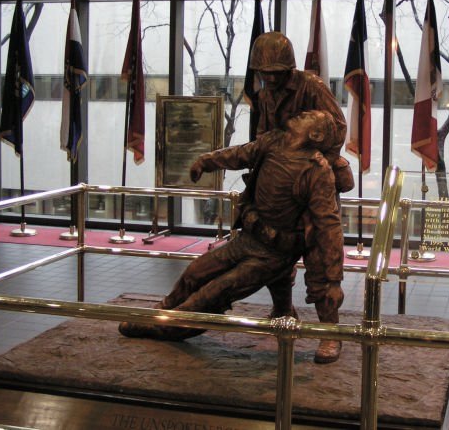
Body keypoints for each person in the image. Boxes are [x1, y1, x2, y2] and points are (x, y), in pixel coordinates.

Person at [119, 110, 344, 363]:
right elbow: (240, 154)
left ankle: (164, 327)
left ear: (316, 134)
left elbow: (329, 225)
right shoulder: (273, 141)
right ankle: (160, 312)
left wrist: (334, 278)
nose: (303, 113)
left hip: (274, 255)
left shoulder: (317, 171)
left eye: (310, 116)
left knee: (216, 291)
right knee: (195, 272)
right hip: (248, 239)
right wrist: (206, 160)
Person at [247, 31, 352, 363]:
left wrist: (312, 161)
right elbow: (263, 136)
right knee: (274, 247)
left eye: (275, 72)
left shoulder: (312, 87)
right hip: (279, 185)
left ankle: (330, 332)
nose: (269, 78)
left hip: (310, 184)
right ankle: (282, 310)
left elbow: (338, 127)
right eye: (264, 72)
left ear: (288, 68)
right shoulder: (265, 96)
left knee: (320, 257)